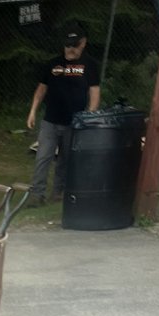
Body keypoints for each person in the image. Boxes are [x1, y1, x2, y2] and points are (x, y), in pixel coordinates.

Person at [27, 21, 100, 206]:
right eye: (67, 45)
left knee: (66, 159)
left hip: (74, 122)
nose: (70, 50)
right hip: (50, 120)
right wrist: (33, 111)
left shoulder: (90, 65)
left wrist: (89, 116)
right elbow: (41, 89)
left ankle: (59, 192)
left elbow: (94, 92)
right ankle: (37, 194)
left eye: (74, 46)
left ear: (83, 43)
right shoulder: (53, 63)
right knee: (43, 156)